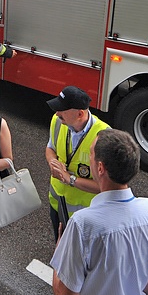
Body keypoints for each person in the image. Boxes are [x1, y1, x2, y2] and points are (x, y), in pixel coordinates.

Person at [50, 129, 148, 295]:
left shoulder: (83, 224)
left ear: (100, 168)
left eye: (90, 153)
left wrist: (60, 254)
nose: (89, 156)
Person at [45, 86, 110, 242]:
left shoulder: (104, 136)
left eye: (62, 110)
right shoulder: (58, 121)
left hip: (85, 216)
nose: (57, 113)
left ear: (80, 114)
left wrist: (70, 179)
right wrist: (53, 162)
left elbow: (105, 186)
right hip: (57, 205)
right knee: (60, 245)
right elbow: (50, 148)